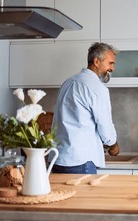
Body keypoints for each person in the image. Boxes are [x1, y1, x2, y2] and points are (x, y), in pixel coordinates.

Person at [50, 42, 120, 174]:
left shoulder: (68, 82)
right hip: (80, 161)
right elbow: (105, 126)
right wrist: (114, 145)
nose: (112, 68)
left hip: (58, 159)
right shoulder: (97, 88)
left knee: (64, 194)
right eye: (110, 63)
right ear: (97, 61)